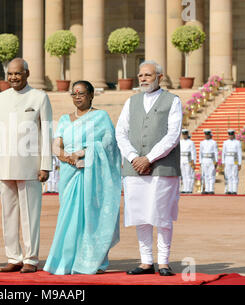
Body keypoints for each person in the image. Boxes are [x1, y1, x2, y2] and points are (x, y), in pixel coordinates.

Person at [43, 80, 121, 275]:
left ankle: (92, 260)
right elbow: (57, 144)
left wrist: (84, 152)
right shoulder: (64, 119)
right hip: (69, 172)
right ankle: (66, 259)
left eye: (82, 93)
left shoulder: (100, 117)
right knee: (68, 216)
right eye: (74, 94)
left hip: (92, 174)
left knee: (90, 215)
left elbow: (109, 145)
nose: (77, 97)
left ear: (91, 95)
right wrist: (64, 157)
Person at [115, 60, 182, 276]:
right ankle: (146, 261)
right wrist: (135, 157)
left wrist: (150, 158)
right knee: (140, 214)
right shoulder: (131, 102)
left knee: (161, 214)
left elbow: (173, 135)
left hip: (162, 167)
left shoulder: (172, 101)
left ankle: (163, 261)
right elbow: (121, 133)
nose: (143, 79)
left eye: (148, 75)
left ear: (159, 77)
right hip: (134, 167)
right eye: (141, 75)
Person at [0, 58, 53, 273]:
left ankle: (31, 258)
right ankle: (13, 257)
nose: (13, 77)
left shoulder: (40, 97)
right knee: (8, 214)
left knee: (30, 214)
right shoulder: (0, 98)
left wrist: (45, 165)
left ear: (27, 73)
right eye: (10, 74)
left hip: (30, 166)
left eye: (17, 73)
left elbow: (46, 133)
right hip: (4, 164)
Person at [222, 129, 242, 195]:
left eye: (232, 135)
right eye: (229, 135)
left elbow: (239, 153)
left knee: (235, 175)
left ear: (234, 135)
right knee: (228, 175)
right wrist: (223, 162)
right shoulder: (225, 142)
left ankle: (234, 190)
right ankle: (230, 190)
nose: (230, 136)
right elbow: (223, 153)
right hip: (227, 160)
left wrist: (239, 163)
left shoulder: (237, 142)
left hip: (235, 160)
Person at [199, 129, 218, 195]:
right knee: (205, 175)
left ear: (210, 135)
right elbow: (200, 152)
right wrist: (200, 161)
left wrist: (216, 161)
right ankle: (206, 189)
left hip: (211, 160)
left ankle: (211, 189)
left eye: (208, 134)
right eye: (206, 134)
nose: (206, 136)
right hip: (204, 159)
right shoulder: (202, 142)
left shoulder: (213, 142)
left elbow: (215, 152)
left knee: (211, 175)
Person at [180, 129, 196, 194]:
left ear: (187, 134)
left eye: (185, 134)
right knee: (183, 175)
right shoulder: (180, 142)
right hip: (182, 159)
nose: (184, 136)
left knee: (188, 175)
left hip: (188, 159)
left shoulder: (191, 142)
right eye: (183, 134)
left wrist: (193, 160)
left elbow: (193, 152)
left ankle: (189, 189)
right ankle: (185, 188)